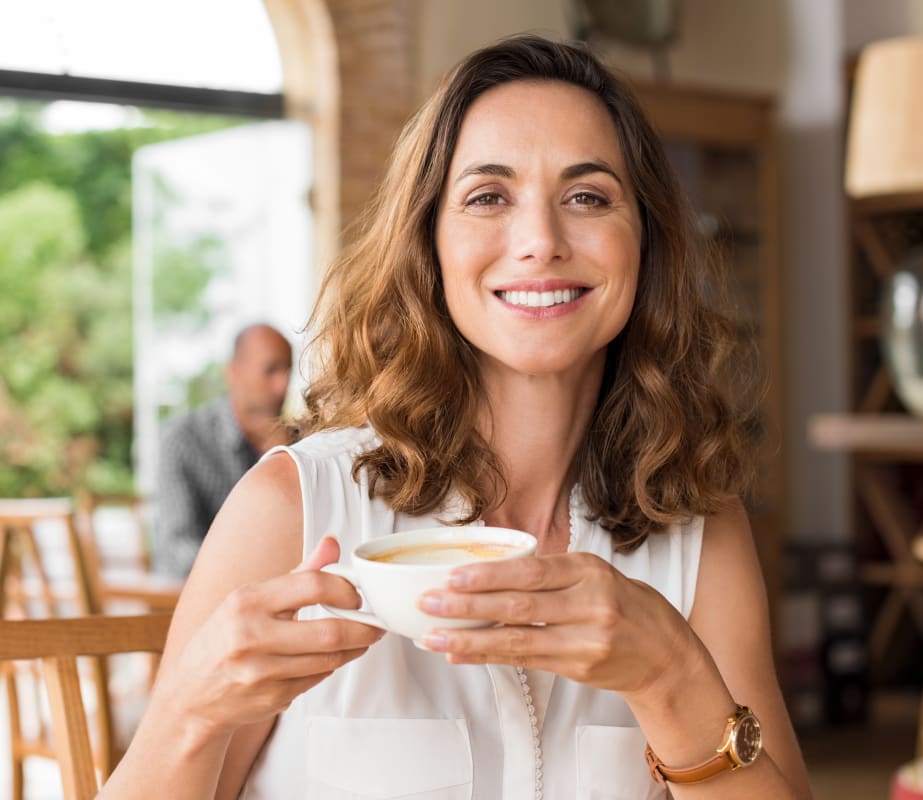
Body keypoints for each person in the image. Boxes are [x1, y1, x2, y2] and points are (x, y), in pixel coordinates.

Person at [103, 35, 812, 799]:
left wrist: (671, 676)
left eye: (588, 196)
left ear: (645, 241)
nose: (541, 241)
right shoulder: (293, 510)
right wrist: (187, 714)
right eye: (488, 197)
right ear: (428, 242)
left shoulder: (698, 529)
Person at [153, 323, 294, 578]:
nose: (283, 385)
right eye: (270, 370)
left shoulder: (300, 443)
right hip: (202, 601)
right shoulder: (184, 440)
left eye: (288, 371)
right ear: (233, 373)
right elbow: (178, 547)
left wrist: (282, 458)